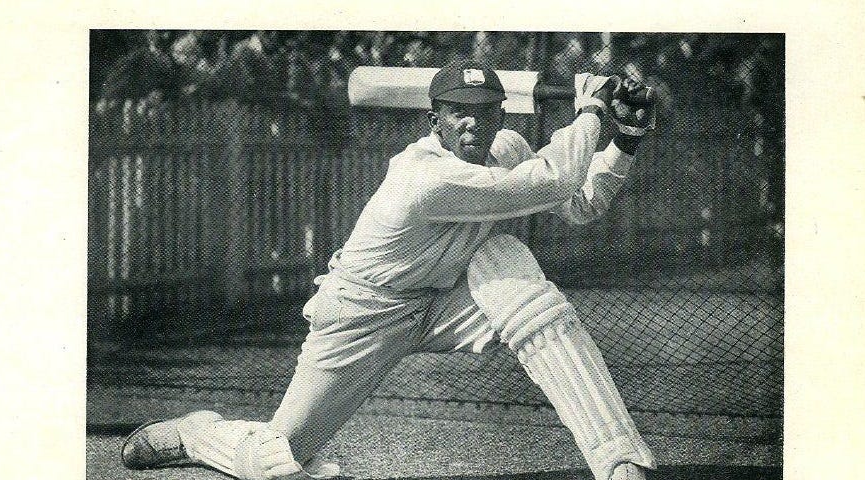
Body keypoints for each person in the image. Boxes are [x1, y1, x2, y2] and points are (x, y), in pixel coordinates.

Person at [120, 58, 658, 480]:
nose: (472, 122)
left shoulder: (507, 147)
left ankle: (617, 459)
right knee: (277, 460)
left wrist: (623, 142)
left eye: (485, 110)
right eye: (456, 110)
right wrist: (589, 113)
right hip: (363, 315)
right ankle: (199, 435)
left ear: (502, 114)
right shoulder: (422, 179)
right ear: (435, 120)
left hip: (443, 304)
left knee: (511, 266)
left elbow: (579, 203)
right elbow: (554, 182)